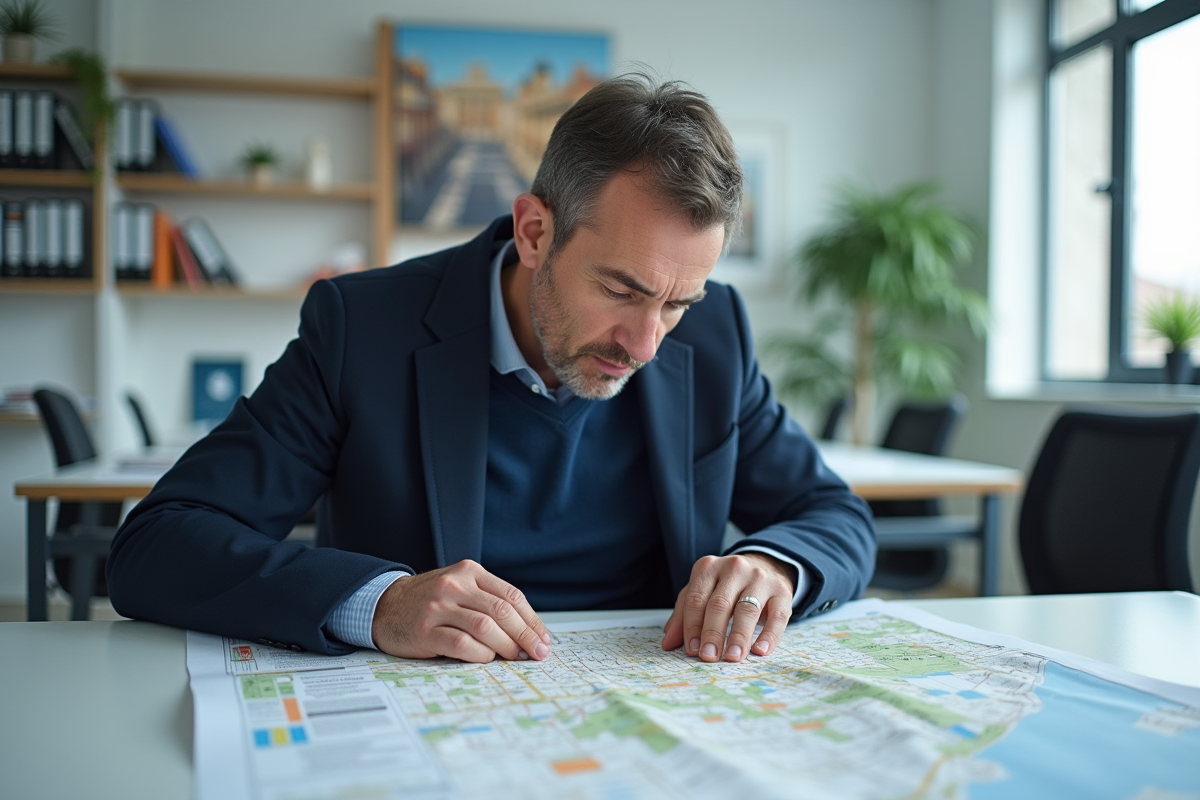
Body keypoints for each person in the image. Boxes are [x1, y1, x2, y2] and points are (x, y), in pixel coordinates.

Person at [107, 73, 875, 665]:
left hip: (652, 704)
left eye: (676, 302)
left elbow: (836, 518)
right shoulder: (362, 329)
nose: (647, 343)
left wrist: (774, 567)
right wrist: (377, 605)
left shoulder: (714, 336)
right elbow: (158, 546)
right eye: (621, 289)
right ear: (535, 230)